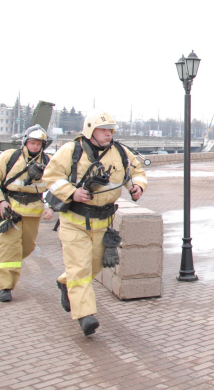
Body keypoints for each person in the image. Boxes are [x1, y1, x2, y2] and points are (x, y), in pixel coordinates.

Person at [43, 111, 147, 336]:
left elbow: (135, 171)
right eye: (103, 130)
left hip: (103, 223)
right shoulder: (71, 150)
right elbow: (51, 177)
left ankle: (66, 282)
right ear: (90, 130)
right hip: (74, 222)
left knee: (95, 265)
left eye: (111, 130)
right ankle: (85, 315)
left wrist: (137, 186)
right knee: (79, 268)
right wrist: (72, 192)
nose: (109, 134)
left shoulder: (120, 152)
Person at [0, 126, 54, 302]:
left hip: (33, 210)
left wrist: (52, 206)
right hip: (10, 208)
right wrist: (0, 202)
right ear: (25, 142)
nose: (35, 146)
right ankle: (5, 286)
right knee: (10, 247)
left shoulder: (48, 161)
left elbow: (57, 185)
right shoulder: (10, 156)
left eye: (39, 144)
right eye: (32, 142)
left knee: (27, 246)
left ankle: (9, 263)